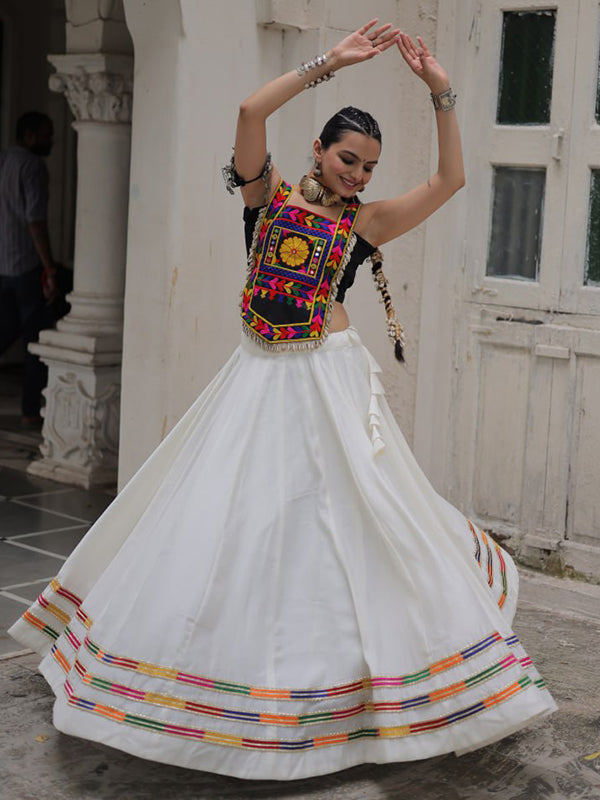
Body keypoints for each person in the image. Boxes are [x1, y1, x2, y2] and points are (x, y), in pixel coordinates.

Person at [8, 21, 556, 781]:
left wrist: (441, 92)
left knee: (346, 525)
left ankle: (347, 686)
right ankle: (228, 684)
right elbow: (249, 112)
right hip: (258, 378)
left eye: (368, 167)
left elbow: (450, 181)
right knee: (240, 524)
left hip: (329, 380)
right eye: (347, 159)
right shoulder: (265, 199)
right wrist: (329, 63)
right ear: (319, 151)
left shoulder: (363, 223)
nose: (357, 175)